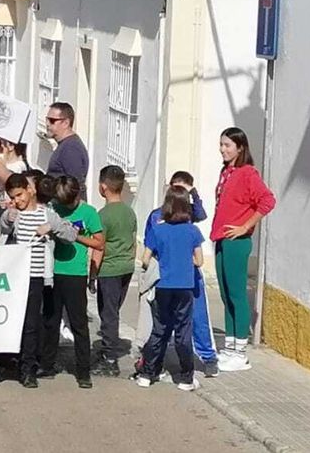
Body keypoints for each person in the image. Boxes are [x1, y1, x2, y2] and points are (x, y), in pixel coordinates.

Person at [135, 170, 220, 379]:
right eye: (175, 187)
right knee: (161, 323)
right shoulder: (157, 216)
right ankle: (154, 363)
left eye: (183, 188)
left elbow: (201, 214)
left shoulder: (189, 213)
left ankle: (208, 357)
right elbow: (150, 244)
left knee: (198, 318)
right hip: (165, 276)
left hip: (190, 277)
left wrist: (195, 194)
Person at [0, 173, 78, 388]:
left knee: (32, 323)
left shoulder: (47, 214)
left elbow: (71, 235)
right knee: (12, 320)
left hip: (35, 276)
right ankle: (5, 363)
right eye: (13, 197)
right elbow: (2, 230)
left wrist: (52, 228)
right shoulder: (14, 214)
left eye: (19, 195)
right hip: (15, 276)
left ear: (30, 190)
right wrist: (7, 217)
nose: (17, 201)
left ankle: (28, 369)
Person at [212, 127, 275, 371]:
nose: (223, 149)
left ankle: (240, 350)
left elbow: (267, 200)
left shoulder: (248, 174)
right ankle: (229, 346)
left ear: (240, 148)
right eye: (221, 144)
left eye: (228, 145)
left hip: (237, 241)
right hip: (221, 238)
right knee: (226, 294)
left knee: (237, 294)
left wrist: (245, 226)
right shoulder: (227, 171)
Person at [136, 186, 203, 392]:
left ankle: (147, 373)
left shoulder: (158, 229)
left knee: (159, 329)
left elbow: (145, 259)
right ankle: (185, 378)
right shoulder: (193, 230)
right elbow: (199, 261)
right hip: (184, 286)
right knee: (183, 332)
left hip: (163, 286)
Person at [44, 174, 102, 387]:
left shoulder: (89, 213)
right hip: (52, 270)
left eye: (69, 201)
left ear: (77, 194)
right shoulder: (52, 209)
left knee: (78, 324)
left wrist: (74, 235)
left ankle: (83, 371)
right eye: (62, 202)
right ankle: (47, 364)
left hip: (75, 273)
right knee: (51, 320)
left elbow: (99, 243)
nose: (65, 205)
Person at [93, 165, 139, 376]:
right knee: (114, 309)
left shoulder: (102, 215)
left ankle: (110, 358)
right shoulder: (130, 212)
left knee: (108, 313)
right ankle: (108, 347)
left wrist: (92, 273)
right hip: (126, 267)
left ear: (103, 187)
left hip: (109, 269)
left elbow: (98, 246)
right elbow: (133, 241)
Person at [44, 103, 89, 183]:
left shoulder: (71, 149)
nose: (47, 124)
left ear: (66, 123)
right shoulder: (66, 145)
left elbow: (75, 186)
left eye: (52, 121)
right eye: (47, 119)